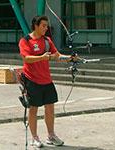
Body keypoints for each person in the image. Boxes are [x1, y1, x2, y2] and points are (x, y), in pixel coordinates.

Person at [19, 15, 74, 148]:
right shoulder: (25, 41)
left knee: (50, 108)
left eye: (46, 26)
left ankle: (51, 135)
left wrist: (69, 58)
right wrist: (42, 57)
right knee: (34, 110)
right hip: (32, 80)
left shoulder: (47, 40)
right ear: (36, 26)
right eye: (43, 25)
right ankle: (34, 138)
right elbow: (26, 58)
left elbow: (56, 55)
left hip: (47, 80)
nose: (46, 28)